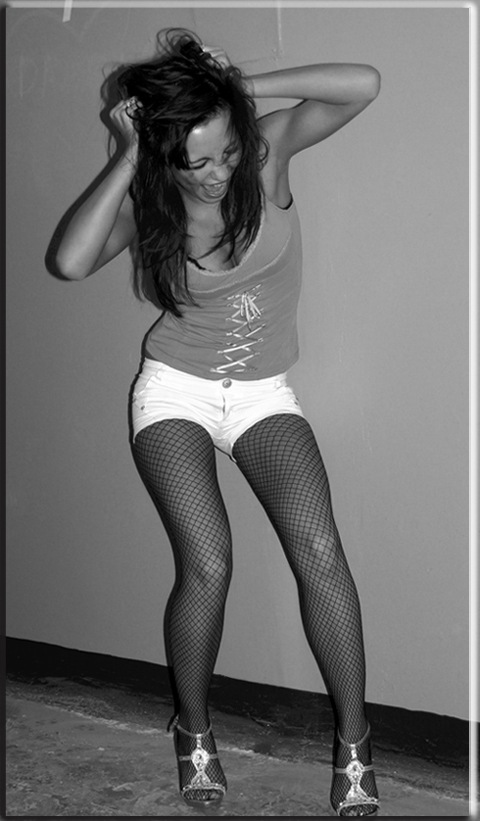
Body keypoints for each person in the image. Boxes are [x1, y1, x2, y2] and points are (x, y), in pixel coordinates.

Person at [55, 28, 381, 816]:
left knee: (321, 549)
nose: (217, 172)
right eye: (195, 161)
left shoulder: (266, 156)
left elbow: (363, 83)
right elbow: (68, 261)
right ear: (165, 157)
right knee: (208, 563)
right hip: (176, 392)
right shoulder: (151, 203)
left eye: (225, 152)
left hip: (262, 393)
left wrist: (235, 93)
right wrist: (130, 152)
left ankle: (355, 741)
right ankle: (194, 729)